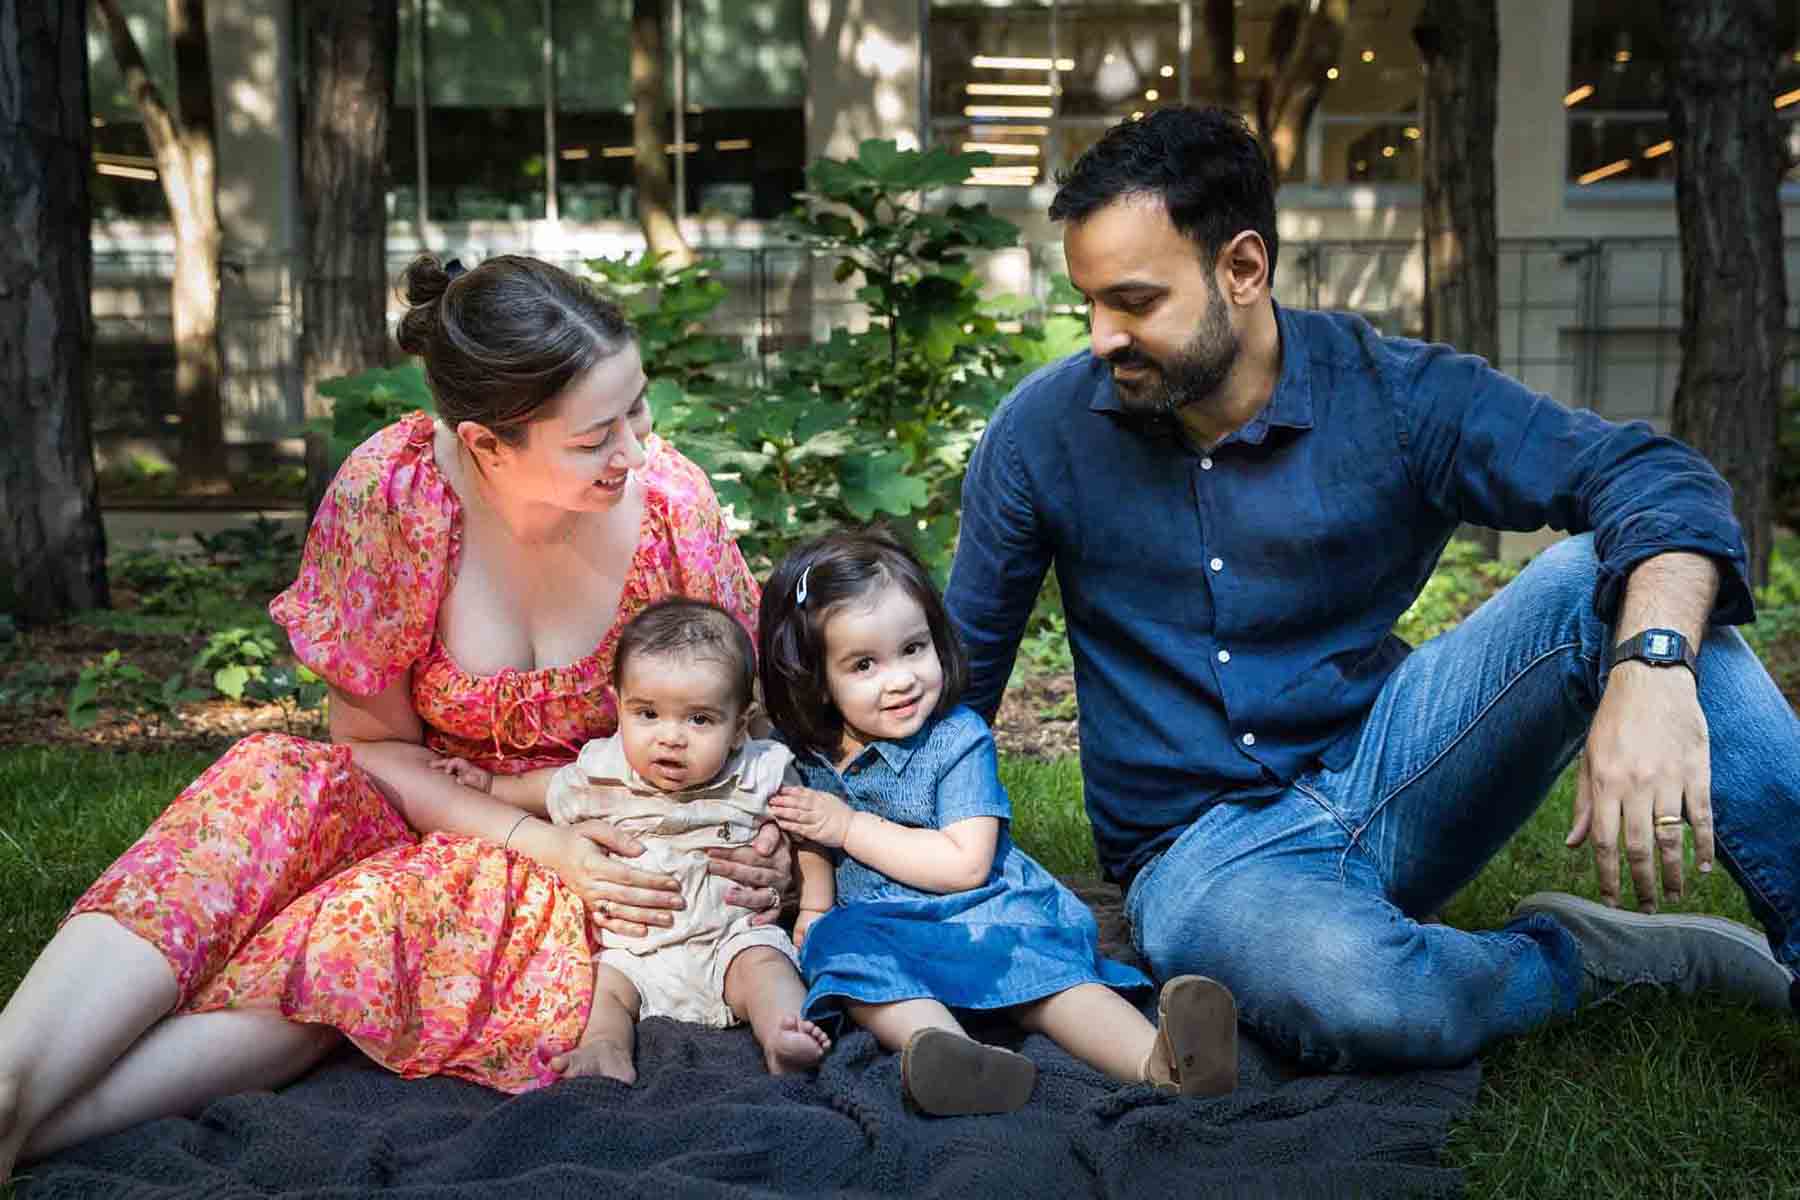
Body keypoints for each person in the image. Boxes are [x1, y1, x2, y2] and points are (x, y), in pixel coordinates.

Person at [944, 105, 1799, 1075]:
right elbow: (954, 681)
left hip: (1397, 771)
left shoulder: (1393, 395)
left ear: (1244, 269)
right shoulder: (1040, 435)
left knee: (1624, 585)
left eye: (1135, 301)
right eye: (1088, 304)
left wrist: (1652, 668)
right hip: (1202, 858)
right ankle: (1587, 960)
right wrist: (839, 843)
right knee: (1370, 998)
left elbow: (1655, 478)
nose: (1103, 337)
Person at [0, 254, 793, 1179]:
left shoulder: (670, 508)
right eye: (594, 436)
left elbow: (745, 724)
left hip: (576, 842)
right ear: (487, 443)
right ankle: (10, 1080)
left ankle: (32, 1126)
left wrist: (763, 835)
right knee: (262, 795)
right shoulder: (396, 493)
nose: (636, 448)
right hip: (414, 793)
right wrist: (518, 829)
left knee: (366, 925)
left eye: (638, 406)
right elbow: (372, 747)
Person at [759, 529, 1238, 1116]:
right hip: (881, 924)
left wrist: (849, 828)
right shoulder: (810, 755)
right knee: (852, 958)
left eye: (914, 648)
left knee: (1052, 982)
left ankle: (1163, 1061)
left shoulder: (957, 738)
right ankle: (953, 1060)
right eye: (864, 664)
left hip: (983, 912)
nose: (903, 677)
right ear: (818, 683)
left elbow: (966, 863)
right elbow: (809, 832)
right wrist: (813, 907)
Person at [427, 598, 831, 1083]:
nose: (671, 737)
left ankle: (783, 1036)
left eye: (699, 719)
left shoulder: (758, 772)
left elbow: (809, 836)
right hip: (635, 950)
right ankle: (605, 1050)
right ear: (618, 707)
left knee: (768, 967)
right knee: (600, 987)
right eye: (648, 714)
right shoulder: (604, 771)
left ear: (740, 725)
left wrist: (813, 908)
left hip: (729, 938)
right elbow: (545, 788)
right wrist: (490, 786)